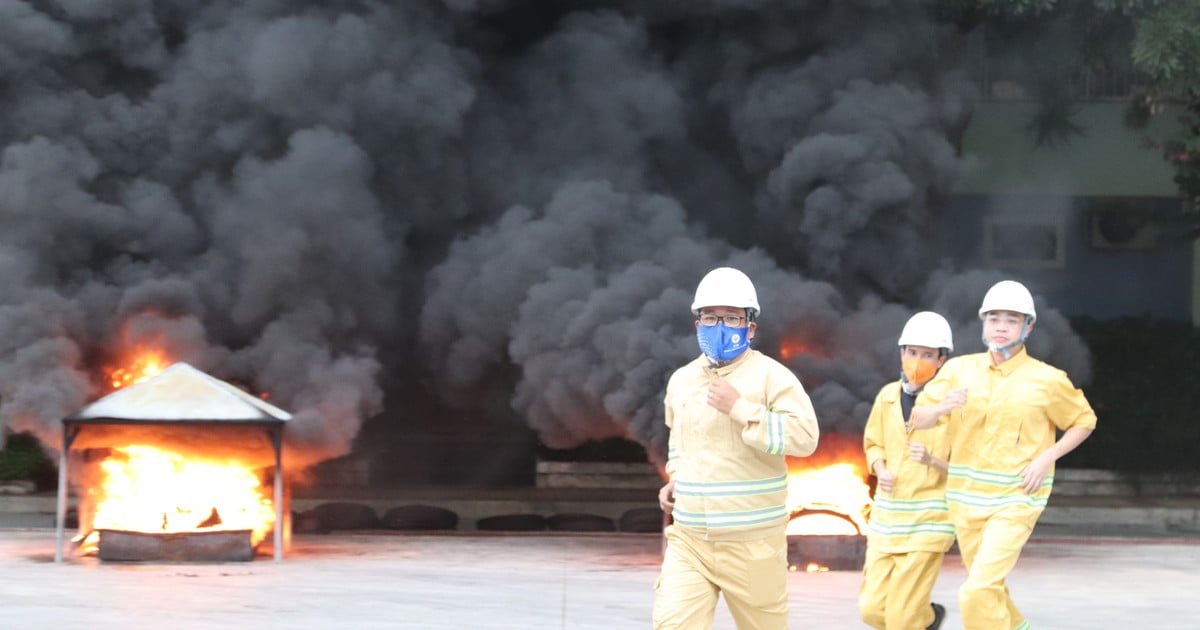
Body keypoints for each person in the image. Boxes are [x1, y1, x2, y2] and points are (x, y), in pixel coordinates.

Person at [908, 280, 1097, 630]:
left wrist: (1045, 458)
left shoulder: (1047, 379)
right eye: (993, 318)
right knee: (990, 590)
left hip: (1016, 499)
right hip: (965, 501)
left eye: (1011, 319)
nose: (1000, 327)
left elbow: (1083, 421)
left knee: (975, 590)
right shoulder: (958, 370)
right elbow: (918, 418)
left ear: (1028, 327)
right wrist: (940, 409)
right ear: (983, 323)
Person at [653, 266, 821, 630]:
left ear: (751, 327)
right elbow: (680, 444)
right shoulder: (682, 381)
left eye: (731, 317)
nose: (720, 326)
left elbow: (805, 438)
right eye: (710, 318)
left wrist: (742, 409)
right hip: (690, 541)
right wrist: (675, 479)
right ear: (697, 324)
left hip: (753, 547)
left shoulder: (772, 377)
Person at [859, 311, 956, 630]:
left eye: (927, 354)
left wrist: (933, 461)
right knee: (873, 611)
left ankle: (923, 618)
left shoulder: (953, 404)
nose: (917, 360)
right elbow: (873, 442)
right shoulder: (887, 397)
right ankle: (927, 619)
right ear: (901, 352)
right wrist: (880, 468)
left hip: (929, 522)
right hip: (887, 521)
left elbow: (969, 465)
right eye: (912, 352)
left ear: (941, 359)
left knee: (901, 619)